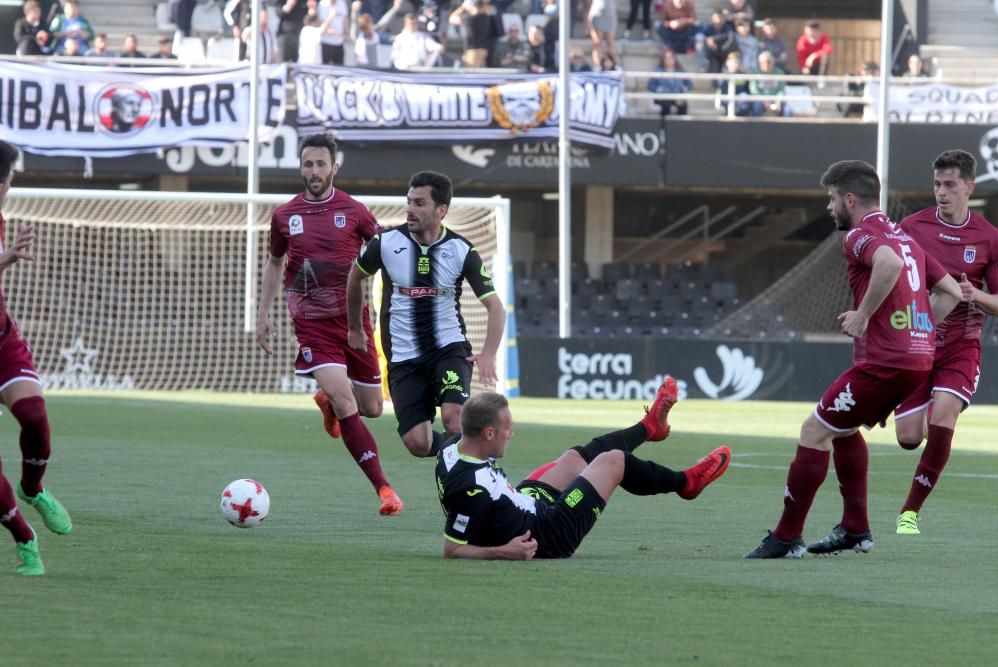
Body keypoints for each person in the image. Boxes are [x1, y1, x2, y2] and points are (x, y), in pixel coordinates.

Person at [744, 160, 962, 559]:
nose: (829, 208)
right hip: (917, 359)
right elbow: (951, 292)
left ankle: (786, 537)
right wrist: (919, 330)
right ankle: (855, 529)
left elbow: (889, 265)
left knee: (814, 432)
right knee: (843, 430)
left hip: (887, 360)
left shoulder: (860, 236)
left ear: (849, 198)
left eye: (831, 199)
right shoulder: (907, 239)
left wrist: (863, 314)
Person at [255, 133, 404, 517]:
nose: (315, 171)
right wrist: (263, 313)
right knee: (345, 398)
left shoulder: (355, 211)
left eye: (322, 164)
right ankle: (385, 490)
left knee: (371, 408)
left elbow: (386, 252)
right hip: (311, 324)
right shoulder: (284, 215)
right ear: (301, 167)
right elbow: (274, 263)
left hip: (354, 322)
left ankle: (328, 404)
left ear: (334, 168)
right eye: (308, 164)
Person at [436, 378, 731, 559]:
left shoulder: (452, 447)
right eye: (507, 429)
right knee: (613, 461)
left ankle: (648, 426)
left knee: (574, 459)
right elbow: (454, 550)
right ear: (488, 433)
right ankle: (686, 483)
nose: (511, 434)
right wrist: (504, 552)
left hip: (524, 505)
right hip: (547, 534)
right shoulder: (470, 488)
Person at [346, 171, 505, 459]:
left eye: (420, 203)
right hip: (404, 357)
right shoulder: (385, 243)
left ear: (441, 210)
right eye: (409, 202)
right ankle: (469, 450)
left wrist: (489, 354)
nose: (410, 209)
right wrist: (355, 327)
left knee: (454, 418)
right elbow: (354, 277)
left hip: (448, 348)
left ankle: (468, 483)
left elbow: (495, 306)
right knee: (418, 444)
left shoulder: (462, 250)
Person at [891, 150, 998, 535]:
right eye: (937, 184)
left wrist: (977, 296)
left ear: (969, 186)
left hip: (961, 345)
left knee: (943, 414)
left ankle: (909, 513)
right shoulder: (910, 227)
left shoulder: (989, 238)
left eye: (950, 185)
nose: (942, 192)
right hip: (917, 344)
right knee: (908, 438)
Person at [0, 140, 74, 575]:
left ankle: (33, 487)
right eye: (9, 181)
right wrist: (6, 260)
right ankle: (25, 539)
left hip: (2, 339)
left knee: (34, 415)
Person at [648, 47, 692, 116]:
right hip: (663, 96)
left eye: (670, 58)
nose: (669, 60)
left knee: (682, 105)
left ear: (674, 59)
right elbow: (650, 85)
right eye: (666, 58)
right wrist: (657, 89)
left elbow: (689, 84)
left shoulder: (680, 70)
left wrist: (684, 88)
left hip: (676, 96)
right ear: (663, 60)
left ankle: (681, 126)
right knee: (666, 105)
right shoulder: (658, 70)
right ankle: (664, 126)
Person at [749, 50, 789, 117]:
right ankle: (757, 127)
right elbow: (754, 91)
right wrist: (764, 101)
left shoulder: (779, 73)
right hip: (761, 101)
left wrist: (778, 101)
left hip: (776, 100)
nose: (766, 64)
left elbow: (781, 89)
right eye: (763, 62)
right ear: (760, 63)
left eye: (768, 62)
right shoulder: (756, 73)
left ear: (773, 62)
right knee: (757, 107)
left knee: (788, 111)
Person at [586, 0, 617, 68]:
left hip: (610, 13)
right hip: (597, 13)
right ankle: (597, 66)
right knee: (597, 42)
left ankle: (609, 65)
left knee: (610, 42)